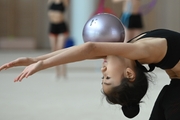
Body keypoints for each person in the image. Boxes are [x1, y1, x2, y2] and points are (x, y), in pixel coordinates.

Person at [1, 29, 180, 119]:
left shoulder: (132, 53)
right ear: (129, 74)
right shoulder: (141, 51)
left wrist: (37, 61)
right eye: (107, 78)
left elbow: (87, 53)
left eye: (103, 78)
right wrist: (39, 62)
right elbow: (90, 49)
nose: (103, 71)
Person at [48, 0, 69, 78]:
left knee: (60, 49)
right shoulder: (51, 2)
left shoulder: (64, 2)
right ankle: (57, 72)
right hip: (53, 26)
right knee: (54, 50)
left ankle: (63, 71)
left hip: (61, 27)